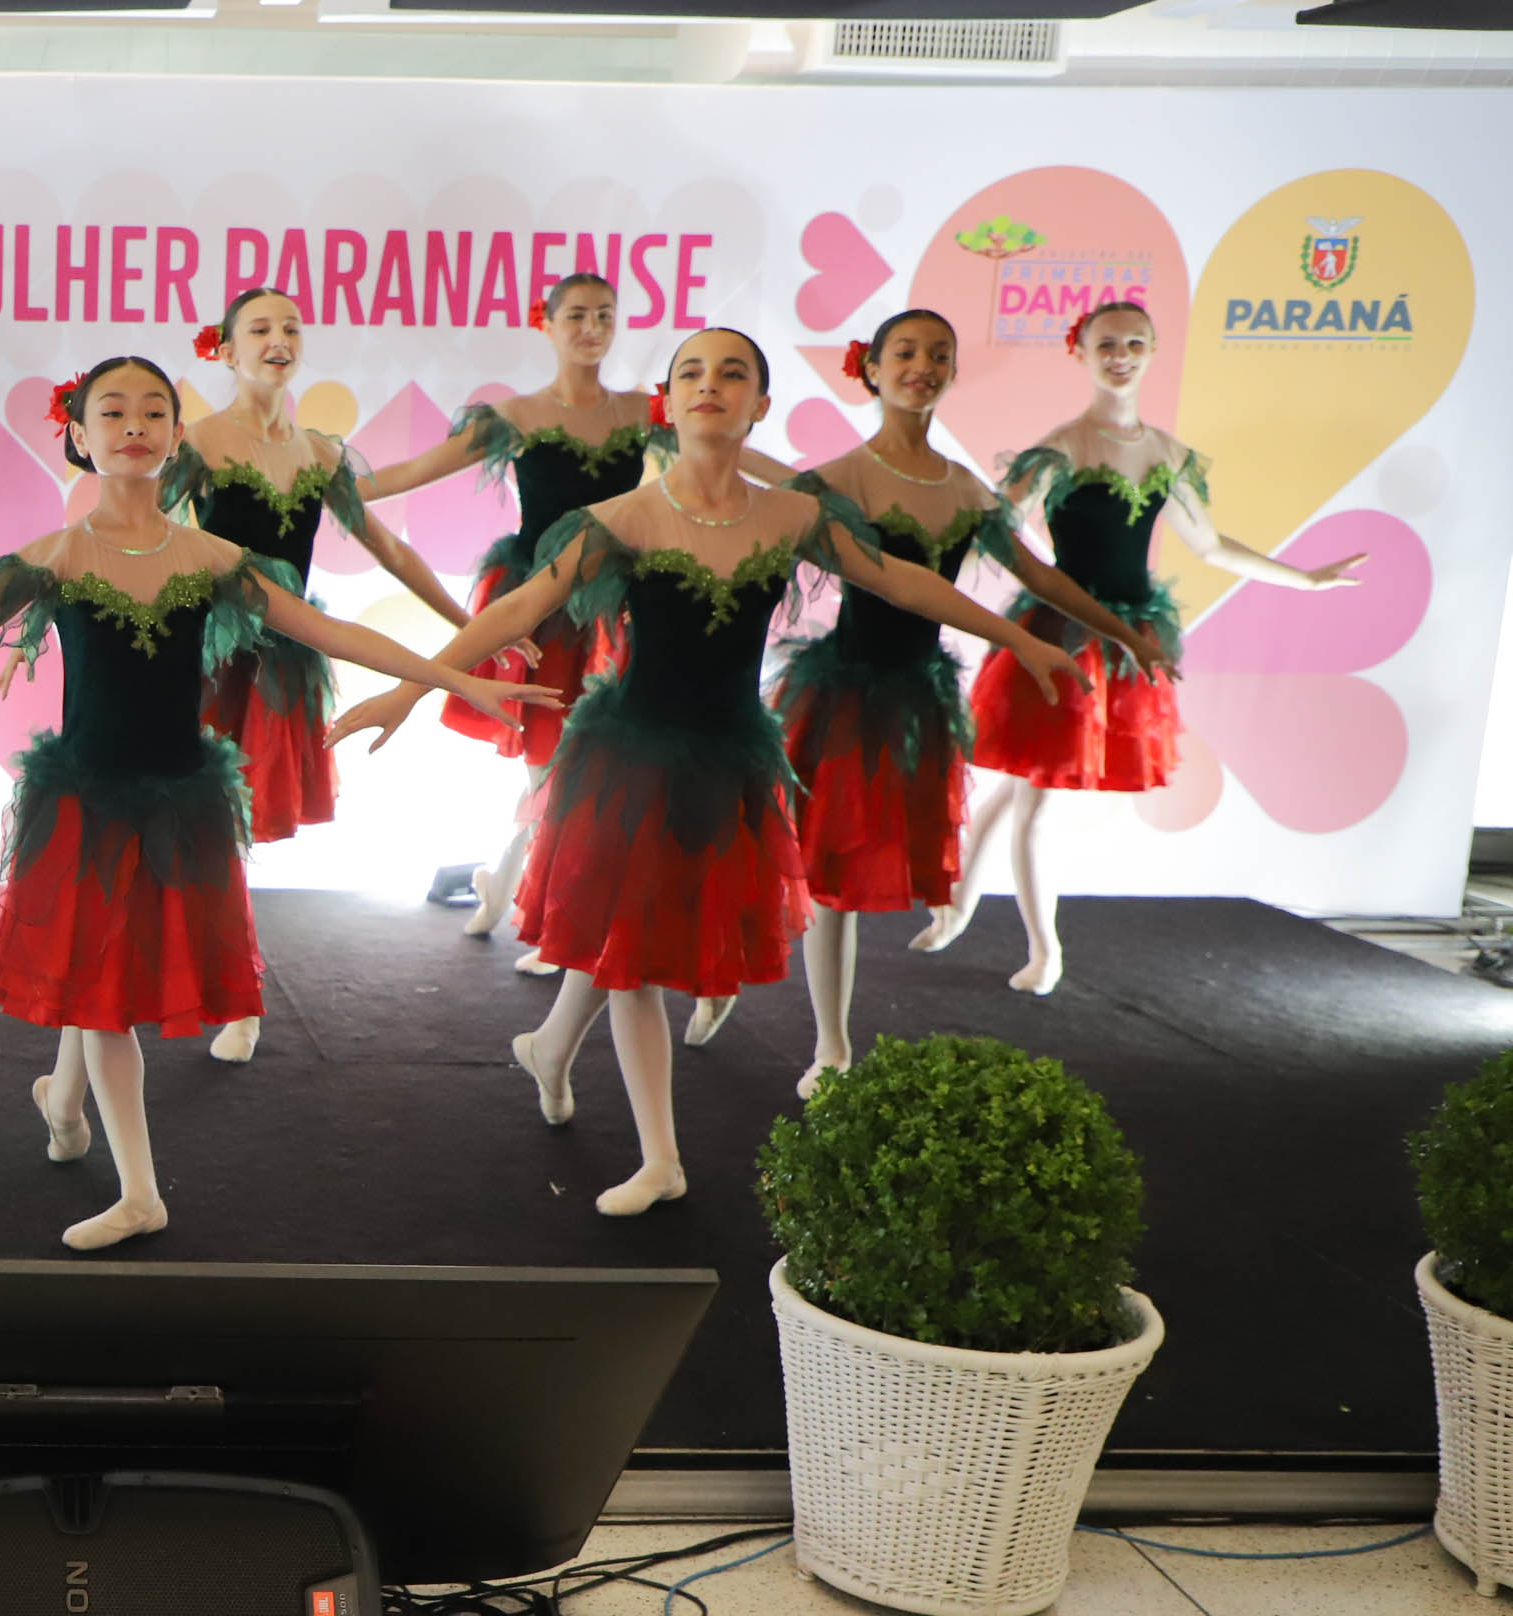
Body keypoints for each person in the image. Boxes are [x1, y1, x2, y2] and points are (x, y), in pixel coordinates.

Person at [0, 357, 547, 1252]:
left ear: (173, 436)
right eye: (112, 412)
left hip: (178, 805)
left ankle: (94, 1142)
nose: (135, 424)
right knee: (99, 989)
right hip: (82, 804)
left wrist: (450, 676)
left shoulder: (211, 556)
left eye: (154, 411)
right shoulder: (52, 558)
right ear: (78, 438)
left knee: (102, 984)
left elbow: (331, 631)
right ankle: (111, 1159)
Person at [341, 329, 1075, 1216]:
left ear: (762, 405)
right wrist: (416, 687)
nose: (711, 385)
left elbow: (910, 586)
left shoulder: (793, 518)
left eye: (733, 374)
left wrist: (1024, 636)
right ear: (669, 399)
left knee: (636, 939)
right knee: (636, 962)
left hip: (731, 761)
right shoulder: (622, 520)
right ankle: (662, 1159)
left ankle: (548, 1048)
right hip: (631, 761)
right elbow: (524, 605)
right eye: (692, 371)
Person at [747, 307, 1142, 1093]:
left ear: (953, 374)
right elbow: (754, 533)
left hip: (918, 706)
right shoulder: (839, 479)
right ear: (871, 369)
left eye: (938, 354)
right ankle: (828, 1045)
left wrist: (1126, 632)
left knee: (852, 880)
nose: (922, 365)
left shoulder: (963, 488)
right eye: (905, 352)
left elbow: (1045, 577)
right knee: (823, 878)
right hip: (843, 702)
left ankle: (831, 1042)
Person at [933, 300, 1363, 995]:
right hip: (1059, 637)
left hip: (1127, 641)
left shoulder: (1169, 454)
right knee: (1031, 793)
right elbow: (995, 523)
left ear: (1153, 350)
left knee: (1027, 789)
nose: (1120, 355)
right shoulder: (1064, 446)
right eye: (1107, 343)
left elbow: (1211, 544)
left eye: (1134, 342)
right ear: (1081, 353)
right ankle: (1037, 946)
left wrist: (1305, 579)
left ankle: (969, 911)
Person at [354, 273, 781, 951]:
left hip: (617, 611)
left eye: (604, 315)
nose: (590, 327)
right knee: (555, 769)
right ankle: (540, 906)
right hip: (540, 610)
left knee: (576, 767)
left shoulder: (644, 411)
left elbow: (746, 460)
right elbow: (414, 472)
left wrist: (844, 494)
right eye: (576, 314)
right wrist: (331, 482)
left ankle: (515, 889)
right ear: (545, 325)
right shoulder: (519, 416)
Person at [162, 284, 471, 1062]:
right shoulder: (194, 441)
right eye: (259, 328)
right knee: (194, 820)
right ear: (225, 350)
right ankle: (200, 971)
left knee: (230, 824)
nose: (279, 338)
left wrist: (469, 627)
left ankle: (235, 991)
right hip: (204, 649)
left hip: (284, 659)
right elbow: (142, 530)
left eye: (291, 327)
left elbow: (390, 550)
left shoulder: (322, 453)